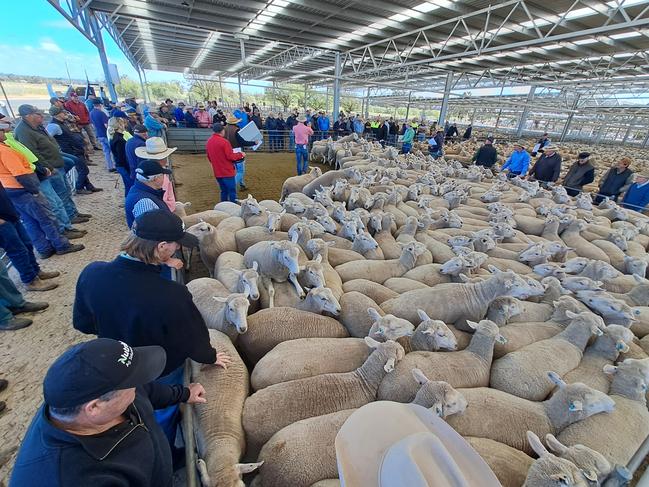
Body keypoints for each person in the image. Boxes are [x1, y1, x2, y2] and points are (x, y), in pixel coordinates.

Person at [10, 338, 208, 486]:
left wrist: (182, 393)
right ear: (95, 408)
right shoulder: (77, 478)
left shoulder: (91, 393)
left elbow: (145, 390)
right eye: (132, 383)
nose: (137, 385)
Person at [0, 119, 84, 259]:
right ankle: (61, 244)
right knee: (47, 217)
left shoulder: (7, 143)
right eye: (1, 130)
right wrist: (34, 190)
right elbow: (20, 173)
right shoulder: (5, 150)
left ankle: (44, 248)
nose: (4, 131)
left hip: (12, 189)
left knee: (30, 221)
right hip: (23, 188)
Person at [13, 105, 88, 237]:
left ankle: (71, 215)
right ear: (28, 116)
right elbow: (33, 153)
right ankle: (64, 228)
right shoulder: (24, 131)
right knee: (55, 201)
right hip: (48, 170)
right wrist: (48, 167)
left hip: (55, 166)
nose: (41, 116)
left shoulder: (38, 127)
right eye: (38, 114)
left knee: (64, 193)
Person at [0, 172, 60, 291]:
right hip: (2, 221)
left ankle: (36, 271)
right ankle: (30, 280)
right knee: (17, 250)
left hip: (9, 213)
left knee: (27, 244)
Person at [47, 107, 100, 195]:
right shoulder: (54, 125)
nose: (65, 114)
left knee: (82, 168)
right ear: (58, 114)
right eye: (63, 112)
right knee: (83, 170)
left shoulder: (62, 123)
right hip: (71, 150)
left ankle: (89, 186)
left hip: (75, 149)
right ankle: (79, 188)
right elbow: (47, 138)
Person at [124, 160, 172, 228]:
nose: (164, 178)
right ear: (156, 178)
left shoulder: (137, 189)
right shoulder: (145, 202)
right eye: (163, 175)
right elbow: (149, 232)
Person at [134, 137, 177, 212]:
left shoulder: (145, 170)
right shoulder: (160, 177)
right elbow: (164, 198)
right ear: (163, 158)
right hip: (166, 211)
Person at [206, 123, 245, 202]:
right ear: (222, 131)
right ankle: (233, 207)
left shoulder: (209, 142)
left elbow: (209, 157)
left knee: (223, 191)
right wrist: (240, 154)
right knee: (232, 191)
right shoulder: (224, 142)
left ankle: (223, 206)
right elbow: (230, 156)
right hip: (227, 171)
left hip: (217, 171)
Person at [224, 115, 255, 191]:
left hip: (229, 151)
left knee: (237, 169)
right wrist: (254, 142)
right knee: (240, 171)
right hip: (237, 152)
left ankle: (242, 184)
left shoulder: (224, 130)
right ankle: (231, 186)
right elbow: (243, 142)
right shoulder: (236, 130)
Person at [109, 118, 133, 196]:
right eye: (122, 123)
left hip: (120, 165)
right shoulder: (119, 140)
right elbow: (122, 157)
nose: (124, 125)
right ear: (119, 125)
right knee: (130, 185)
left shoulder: (114, 136)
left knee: (128, 185)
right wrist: (129, 169)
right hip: (123, 166)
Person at [89, 100, 114, 171]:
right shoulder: (101, 113)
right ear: (100, 105)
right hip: (106, 135)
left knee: (106, 152)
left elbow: (93, 125)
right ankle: (115, 165)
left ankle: (110, 167)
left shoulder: (91, 113)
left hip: (99, 134)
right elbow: (106, 125)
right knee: (113, 151)